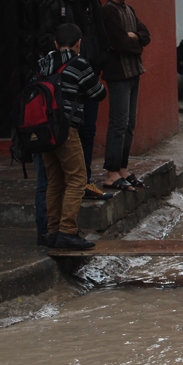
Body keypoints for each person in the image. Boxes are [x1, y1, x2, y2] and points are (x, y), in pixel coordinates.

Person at [39, 0, 112, 200]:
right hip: (66, 83)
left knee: (88, 131)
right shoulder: (57, 6)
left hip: (89, 76)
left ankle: (85, 181)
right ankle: (67, 184)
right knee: (65, 133)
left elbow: (101, 36)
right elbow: (46, 40)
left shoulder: (94, 3)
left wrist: (99, 63)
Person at [39, 23, 107, 250]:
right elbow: (98, 93)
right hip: (66, 128)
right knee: (77, 179)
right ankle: (68, 231)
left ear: (56, 44)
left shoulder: (44, 63)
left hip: (44, 131)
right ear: (79, 43)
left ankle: (53, 231)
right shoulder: (79, 64)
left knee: (55, 181)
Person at [101, 0, 151, 193]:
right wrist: (135, 42)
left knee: (130, 124)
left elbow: (146, 35)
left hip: (133, 73)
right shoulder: (109, 12)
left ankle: (122, 168)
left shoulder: (129, 10)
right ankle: (111, 173)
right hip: (118, 75)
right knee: (119, 123)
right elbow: (121, 43)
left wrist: (136, 38)